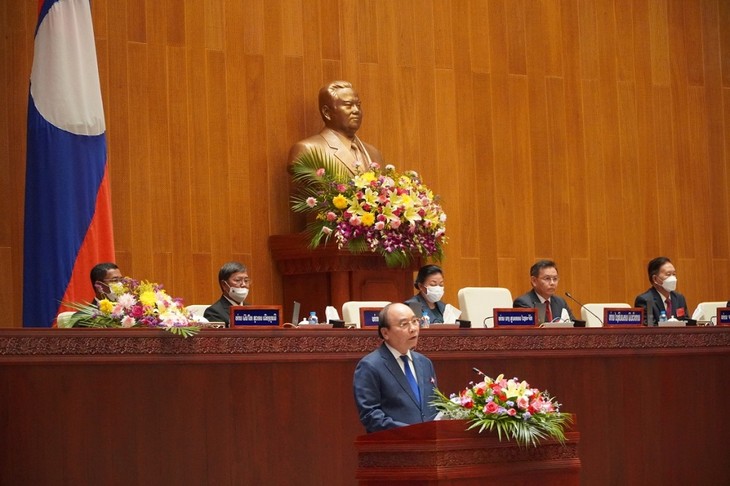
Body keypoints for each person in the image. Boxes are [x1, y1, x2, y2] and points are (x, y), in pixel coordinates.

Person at [353, 303, 439, 434]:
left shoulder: (424, 362)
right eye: (404, 324)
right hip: (394, 447)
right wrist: (411, 433)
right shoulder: (370, 366)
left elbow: (434, 405)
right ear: (385, 333)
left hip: (429, 446)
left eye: (415, 321)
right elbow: (370, 416)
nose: (413, 328)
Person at [288, 80, 385, 175]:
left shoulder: (374, 154)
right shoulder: (307, 150)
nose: (356, 110)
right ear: (327, 112)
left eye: (358, 105)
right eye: (348, 105)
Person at [634, 257, 688, 324]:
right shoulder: (645, 300)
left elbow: (686, 323)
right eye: (668, 274)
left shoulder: (679, 298)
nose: (673, 278)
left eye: (674, 274)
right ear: (655, 279)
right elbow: (649, 328)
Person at [204, 262, 251, 326]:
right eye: (237, 280)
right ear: (224, 285)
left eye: (246, 280)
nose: (244, 284)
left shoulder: (251, 308)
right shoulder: (213, 312)